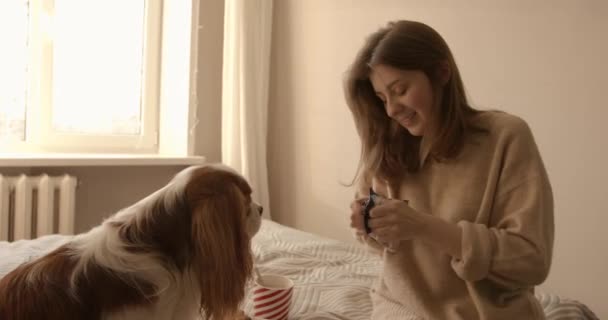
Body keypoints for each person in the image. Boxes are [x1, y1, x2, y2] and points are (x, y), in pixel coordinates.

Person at [344, 20, 554, 320]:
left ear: (442, 73)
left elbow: (532, 261)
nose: (391, 109)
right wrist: (367, 225)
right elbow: (389, 252)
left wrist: (424, 226)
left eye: (400, 90)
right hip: (399, 308)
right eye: (382, 99)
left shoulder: (506, 137)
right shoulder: (389, 142)